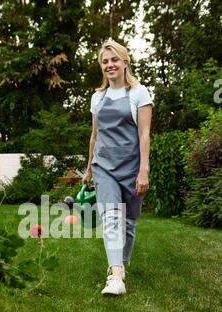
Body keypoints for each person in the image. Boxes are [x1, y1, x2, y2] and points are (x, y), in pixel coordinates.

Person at [82, 39, 153, 295]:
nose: (110, 65)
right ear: (101, 67)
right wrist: (89, 168)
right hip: (104, 167)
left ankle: (121, 264)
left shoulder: (139, 93)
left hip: (132, 167)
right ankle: (115, 276)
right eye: (105, 61)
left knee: (129, 222)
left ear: (125, 62)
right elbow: (94, 135)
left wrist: (143, 170)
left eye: (114, 60)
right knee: (111, 217)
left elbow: (144, 134)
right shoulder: (97, 97)